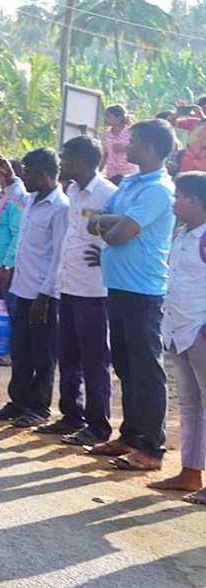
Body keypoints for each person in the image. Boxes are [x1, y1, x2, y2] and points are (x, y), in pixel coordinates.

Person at [86, 118, 177, 472]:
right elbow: (94, 220)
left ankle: (152, 448)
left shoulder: (157, 189)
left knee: (145, 369)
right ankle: (131, 434)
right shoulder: (131, 184)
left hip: (143, 290)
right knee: (125, 366)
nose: (126, 147)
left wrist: (111, 224)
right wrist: (112, 223)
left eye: (134, 141)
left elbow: (117, 232)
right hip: (120, 286)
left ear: (152, 148)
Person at [0, 148, 68, 428]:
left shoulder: (61, 208)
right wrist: (9, 177)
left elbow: (59, 256)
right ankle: (18, 401)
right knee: (20, 350)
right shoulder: (33, 199)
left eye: (28, 172)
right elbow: (18, 195)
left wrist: (44, 297)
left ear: (42, 174)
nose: (25, 177)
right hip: (22, 289)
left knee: (43, 354)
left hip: (43, 295)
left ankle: (39, 407)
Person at [46, 137, 116, 445]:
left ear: (83, 162)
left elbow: (125, 231)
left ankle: (98, 425)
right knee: (69, 354)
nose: (62, 162)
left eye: (66, 158)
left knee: (95, 359)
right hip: (69, 285)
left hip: (94, 290)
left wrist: (108, 255)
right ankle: (71, 415)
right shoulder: (72, 191)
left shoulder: (108, 193)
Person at [148, 172, 206, 503]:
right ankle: (190, 472)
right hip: (178, 330)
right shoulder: (182, 234)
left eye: (179, 197)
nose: (174, 203)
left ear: (195, 201)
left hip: (199, 331)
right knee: (189, 405)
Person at [0, 153, 22, 302]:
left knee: (8, 309)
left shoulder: (15, 200)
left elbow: (17, 234)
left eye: (0, 171)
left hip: (6, 266)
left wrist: (6, 266)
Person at [100, 104, 139, 185]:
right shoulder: (106, 135)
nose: (105, 119)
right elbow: (105, 153)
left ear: (118, 118)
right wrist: (99, 170)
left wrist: (124, 148)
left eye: (108, 116)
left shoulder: (131, 132)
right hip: (112, 173)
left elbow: (139, 149)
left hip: (129, 173)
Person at [175, 97, 206, 175]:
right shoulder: (193, 122)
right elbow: (170, 123)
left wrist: (203, 119)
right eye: (203, 109)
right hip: (188, 164)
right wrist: (177, 113)